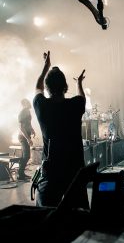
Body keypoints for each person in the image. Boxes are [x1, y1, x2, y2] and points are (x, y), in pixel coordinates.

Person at [33, 51, 89, 209]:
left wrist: (46, 67)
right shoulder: (76, 104)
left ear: (47, 87)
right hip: (74, 170)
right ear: (65, 86)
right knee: (80, 215)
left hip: (52, 171)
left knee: (45, 216)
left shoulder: (42, 106)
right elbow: (82, 97)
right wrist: (79, 83)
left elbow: (37, 88)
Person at [18, 98, 36, 181]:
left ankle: (21, 175)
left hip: (26, 136)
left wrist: (32, 129)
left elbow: (28, 123)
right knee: (27, 156)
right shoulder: (22, 112)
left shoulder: (27, 111)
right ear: (24, 103)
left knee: (24, 156)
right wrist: (28, 139)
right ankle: (20, 175)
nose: (29, 103)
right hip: (23, 137)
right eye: (27, 102)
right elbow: (21, 127)